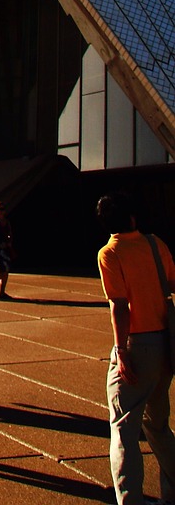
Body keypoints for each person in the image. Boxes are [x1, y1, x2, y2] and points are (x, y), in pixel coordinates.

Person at [97, 192, 175, 505]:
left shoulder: (109, 252)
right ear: (132, 217)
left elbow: (119, 305)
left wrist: (121, 350)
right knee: (158, 427)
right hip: (164, 345)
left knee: (124, 430)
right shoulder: (157, 245)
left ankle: (130, 500)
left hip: (136, 343)